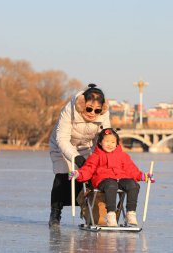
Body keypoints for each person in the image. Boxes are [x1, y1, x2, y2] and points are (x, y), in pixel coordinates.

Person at [48, 84, 111, 227]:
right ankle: (55, 213)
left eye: (97, 110)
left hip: (85, 146)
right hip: (62, 145)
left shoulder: (104, 114)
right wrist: (76, 158)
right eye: (89, 108)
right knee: (63, 174)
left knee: (88, 176)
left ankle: (89, 210)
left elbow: (105, 137)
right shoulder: (69, 109)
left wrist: (100, 158)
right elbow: (62, 138)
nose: (92, 113)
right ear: (82, 104)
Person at [69, 128, 155, 227]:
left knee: (133, 185)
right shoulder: (95, 156)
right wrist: (78, 174)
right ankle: (111, 215)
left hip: (121, 178)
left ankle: (131, 213)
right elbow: (88, 169)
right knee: (111, 185)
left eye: (113, 142)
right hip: (103, 180)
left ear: (117, 143)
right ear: (100, 142)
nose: (110, 144)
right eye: (107, 141)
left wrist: (143, 176)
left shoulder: (123, 156)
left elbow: (131, 169)